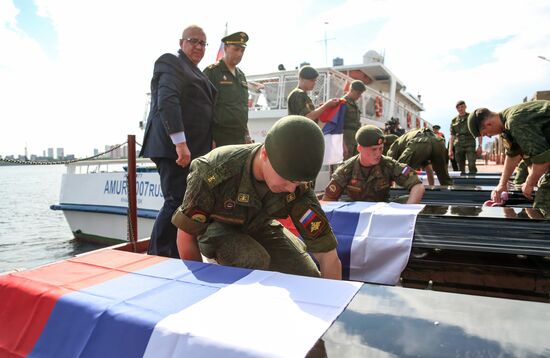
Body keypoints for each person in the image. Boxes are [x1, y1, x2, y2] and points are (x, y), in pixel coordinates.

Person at [172, 115, 343, 279]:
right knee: (253, 260)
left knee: (308, 276)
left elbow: (328, 254)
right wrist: (201, 283)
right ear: (265, 154)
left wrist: (333, 302)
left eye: (298, 183)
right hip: (217, 230)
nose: (291, 188)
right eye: (287, 179)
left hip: (261, 226)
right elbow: (186, 235)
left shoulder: (297, 184)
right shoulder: (215, 170)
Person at [140, 25, 217, 258]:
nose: (198, 47)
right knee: (175, 201)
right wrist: (180, 143)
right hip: (174, 149)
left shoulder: (196, 71)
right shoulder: (171, 61)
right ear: (181, 42)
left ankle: (168, 253)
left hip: (193, 149)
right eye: (193, 41)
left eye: (203, 43)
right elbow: (168, 101)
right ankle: (160, 255)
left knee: (185, 202)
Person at [467, 100, 550, 215]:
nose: (489, 136)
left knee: (543, 204)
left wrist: (530, 182)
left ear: (488, 124)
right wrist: (502, 184)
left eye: (486, 134)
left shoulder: (515, 121)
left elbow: (543, 159)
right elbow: (512, 155)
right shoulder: (506, 127)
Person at [322, 125, 424, 203]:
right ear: (359, 149)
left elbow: (418, 186)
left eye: (381, 148)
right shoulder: (346, 169)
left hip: (381, 212)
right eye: (373, 149)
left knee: (408, 200)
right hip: (357, 214)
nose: (378, 153)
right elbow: (328, 199)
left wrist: (407, 212)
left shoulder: (388, 164)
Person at [203, 31, 252, 146]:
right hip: (220, 138)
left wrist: (246, 134)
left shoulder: (241, 76)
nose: (240, 54)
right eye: (236, 49)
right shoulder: (212, 73)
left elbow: (242, 108)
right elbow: (203, 109)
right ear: (225, 48)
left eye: (242, 50)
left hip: (239, 138)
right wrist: (208, 138)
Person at [387, 128, 453, 186]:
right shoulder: (407, 139)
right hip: (438, 141)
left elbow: (390, 169)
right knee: (444, 177)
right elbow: (428, 168)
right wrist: (431, 187)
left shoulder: (394, 145)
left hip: (420, 142)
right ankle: (453, 196)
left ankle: (400, 194)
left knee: (402, 171)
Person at [449, 100, 482, 174]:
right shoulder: (454, 120)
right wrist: (450, 150)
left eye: (462, 107)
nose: (460, 109)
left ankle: (473, 182)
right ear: (456, 109)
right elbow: (452, 136)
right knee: (460, 167)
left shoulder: (472, 117)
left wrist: (480, 145)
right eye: (458, 108)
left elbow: (479, 132)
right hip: (458, 145)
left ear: (465, 107)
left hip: (470, 143)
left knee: (471, 164)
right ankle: (462, 185)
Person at [342, 80, 366, 159]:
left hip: (355, 141)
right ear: (351, 90)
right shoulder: (343, 103)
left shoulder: (355, 104)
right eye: (358, 93)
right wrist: (342, 144)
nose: (359, 96)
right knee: (343, 166)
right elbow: (339, 125)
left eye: (361, 94)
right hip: (346, 141)